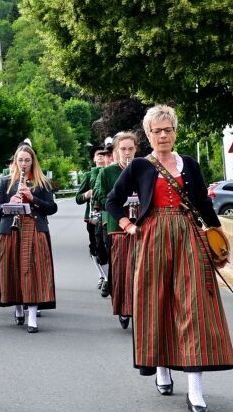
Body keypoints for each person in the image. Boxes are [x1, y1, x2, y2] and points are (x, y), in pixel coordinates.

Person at [106, 105, 233, 411]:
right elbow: (112, 201)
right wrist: (128, 225)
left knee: (194, 307)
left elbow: (203, 202)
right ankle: (162, 370)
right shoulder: (138, 166)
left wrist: (218, 240)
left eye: (168, 129)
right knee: (156, 304)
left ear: (175, 131)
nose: (163, 135)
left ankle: (195, 389)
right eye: (156, 130)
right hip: (151, 239)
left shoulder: (188, 163)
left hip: (188, 236)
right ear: (147, 134)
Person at [0, 144, 57, 333]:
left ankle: (32, 317)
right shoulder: (5, 183)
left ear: (33, 161)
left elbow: (52, 208)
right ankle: (18, 307)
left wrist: (32, 198)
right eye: (20, 160)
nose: (23, 164)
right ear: (15, 161)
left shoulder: (42, 182)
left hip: (35, 228)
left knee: (34, 272)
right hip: (11, 230)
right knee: (12, 269)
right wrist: (8, 203)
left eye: (27, 160)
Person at [92, 131, 138, 329]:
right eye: (123, 149)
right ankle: (124, 308)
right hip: (116, 227)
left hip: (141, 225)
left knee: (140, 269)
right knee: (121, 270)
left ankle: (141, 307)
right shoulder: (107, 172)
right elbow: (101, 199)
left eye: (130, 149)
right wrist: (120, 201)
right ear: (116, 151)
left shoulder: (143, 169)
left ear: (136, 150)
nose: (127, 153)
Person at [75, 143, 111, 294]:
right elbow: (78, 198)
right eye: (99, 155)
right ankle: (103, 275)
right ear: (94, 159)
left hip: (108, 215)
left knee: (107, 247)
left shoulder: (112, 172)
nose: (102, 157)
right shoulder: (89, 175)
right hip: (92, 217)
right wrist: (87, 194)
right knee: (96, 247)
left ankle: (109, 278)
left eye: (105, 155)